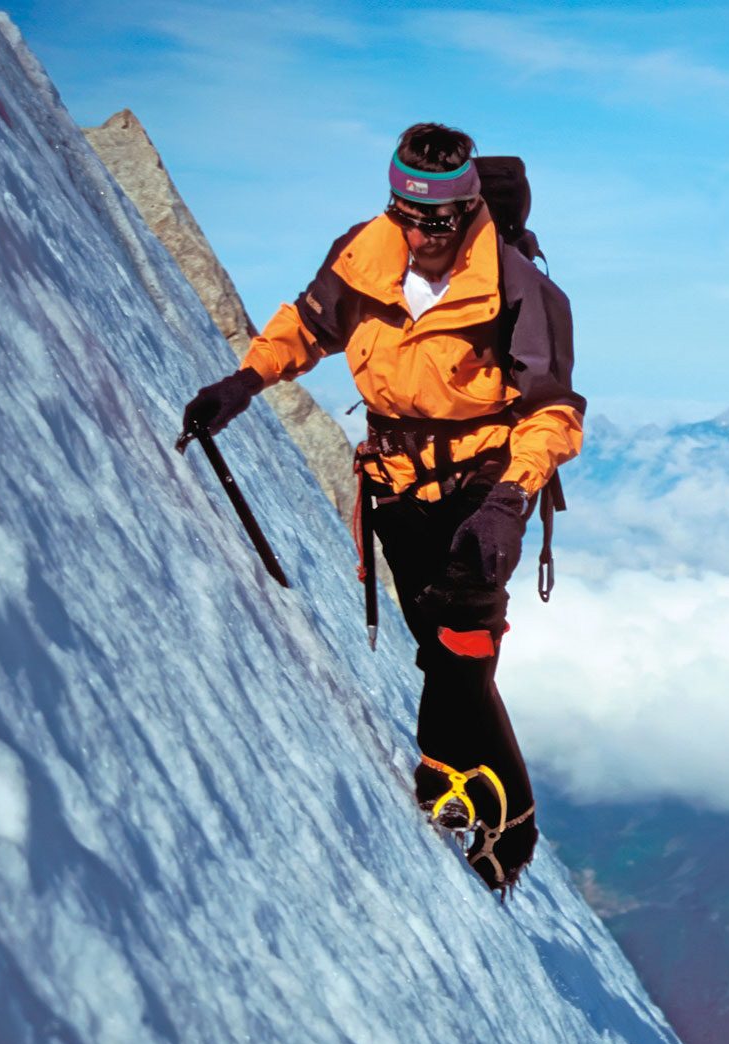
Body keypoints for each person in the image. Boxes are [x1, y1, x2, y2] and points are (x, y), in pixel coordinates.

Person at [182, 123, 583, 893]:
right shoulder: (362, 254)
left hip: (486, 482)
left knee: (463, 635)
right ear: (394, 201)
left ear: (469, 206)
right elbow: (306, 326)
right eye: (411, 213)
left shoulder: (518, 287)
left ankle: (508, 819)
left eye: (443, 216)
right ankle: (456, 782)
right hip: (396, 481)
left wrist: (509, 501)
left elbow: (553, 410)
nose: (426, 231)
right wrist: (243, 383)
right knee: (432, 638)